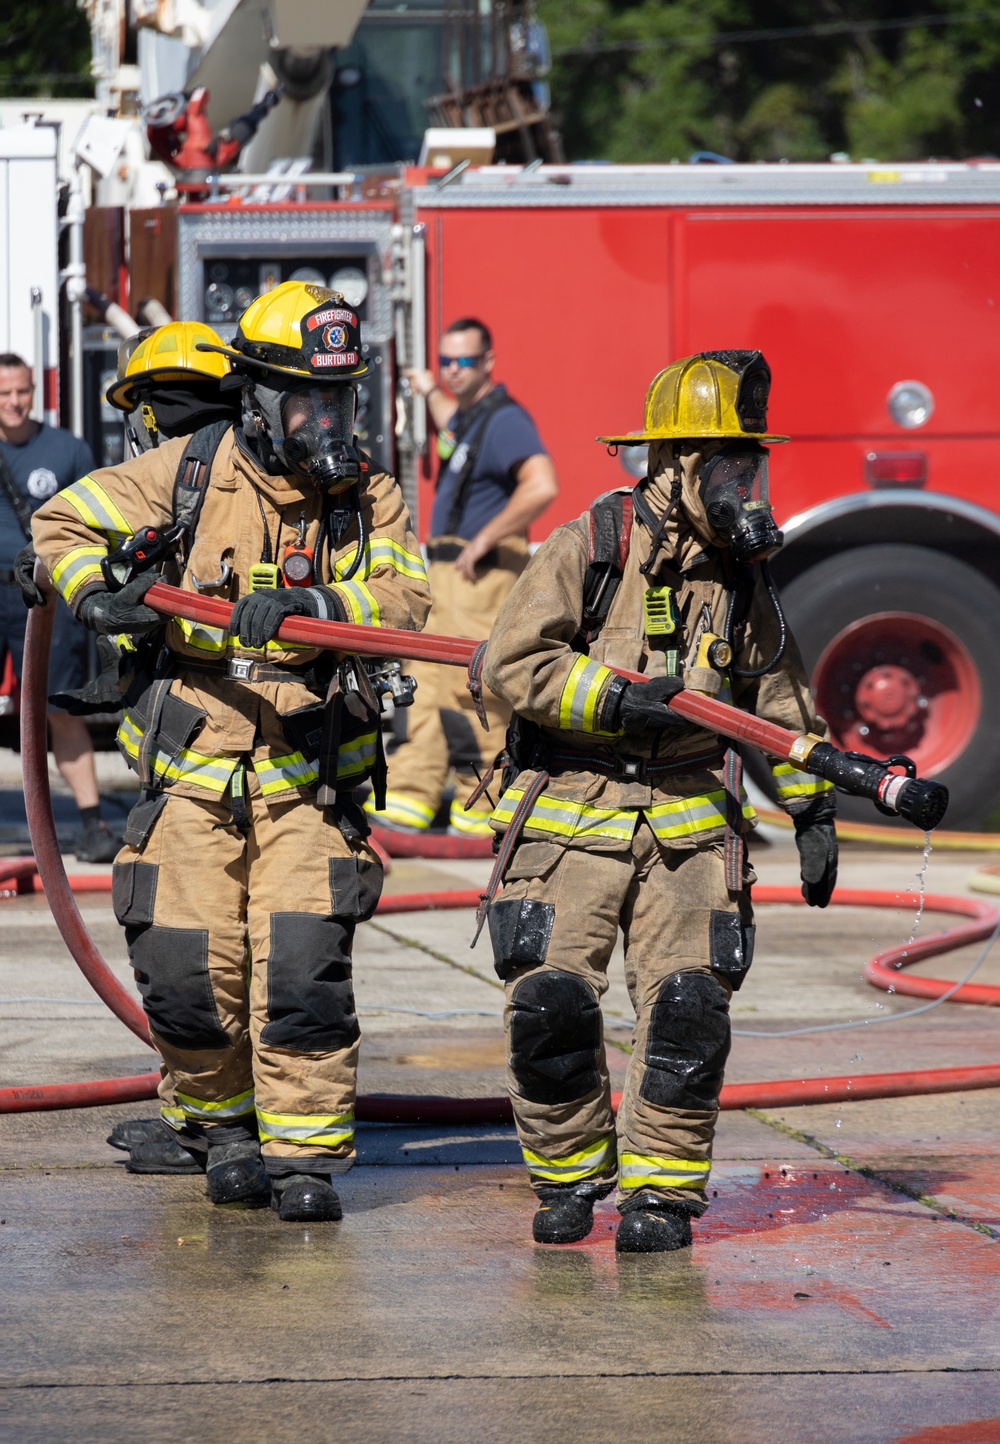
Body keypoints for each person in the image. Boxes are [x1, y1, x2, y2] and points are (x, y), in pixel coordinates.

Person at [32, 281, 431, 1222]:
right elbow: (63, 522)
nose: (327, 421)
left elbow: (408, 603)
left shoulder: (368, 496)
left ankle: (305, 1157)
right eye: (308, 400)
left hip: (307, 782)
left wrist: (324, 610)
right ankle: (221, 1131)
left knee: (300, 975)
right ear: (255, 396)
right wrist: (95, 593)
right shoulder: (188, 472)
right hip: (192, 780)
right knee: (181, 975)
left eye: (340, 400)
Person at [480, 351, 837, 1252]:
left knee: (688, 1015)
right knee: (551, 1008)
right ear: (671, 464)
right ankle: (567, 1179)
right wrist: (606, 696)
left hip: (689, 827)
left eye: (748, 465)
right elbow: (508, 663)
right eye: (724, 466)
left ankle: (662, 1197)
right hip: (569, 815)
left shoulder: (742, 573)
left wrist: (811, 809)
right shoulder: (589, 546)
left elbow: (778, 703)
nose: (742, 483)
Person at [371, 317, 557, 840]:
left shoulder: (505, 420)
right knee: (425, 683)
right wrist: (429, 391)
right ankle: (411, 794)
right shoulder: (472, 419)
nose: (453, 370)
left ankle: (483, 802)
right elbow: (452, 424)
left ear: (488, 364)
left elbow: (542, 484)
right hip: (450, 577)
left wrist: (485, 538)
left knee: (469, 687)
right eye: (446, 361)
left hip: (481, 576)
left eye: (464, 362)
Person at [0, 353, 119, 862]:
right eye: (4, 393)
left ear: (36, 390)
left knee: (60, 711)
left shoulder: (67, 450)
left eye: (22, 391)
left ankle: (93, 824)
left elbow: (96, 523)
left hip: (43, 600)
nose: (14, 402)